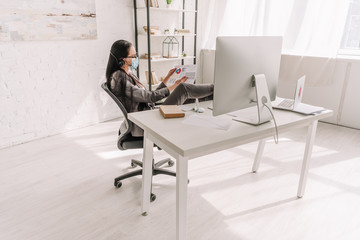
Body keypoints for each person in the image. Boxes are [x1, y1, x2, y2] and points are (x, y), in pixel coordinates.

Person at [105, 39, 214, 137]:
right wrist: (175, 85)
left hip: (149, 115)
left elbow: (148, 96)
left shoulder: (128, 73)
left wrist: (167, 77)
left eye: (136, 55)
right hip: (144, 123)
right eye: (133, 56)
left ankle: (215, 95)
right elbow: (150, 97)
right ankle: (215, 88)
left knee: (190, 97)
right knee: (183, 88)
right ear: (121, 59)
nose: (136, 58)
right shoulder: (119, 77)